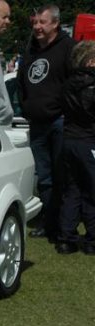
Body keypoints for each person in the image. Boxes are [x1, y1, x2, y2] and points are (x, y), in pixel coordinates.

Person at [17, 4, 75, 240]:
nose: (37, 27)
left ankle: (64, 224)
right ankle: (48, 222)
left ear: (55, 24)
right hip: (37, 123)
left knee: (63, 175)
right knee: (44, 177)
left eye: (42, 22)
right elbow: (22, 82)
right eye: (35, 22)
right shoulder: (31, 49)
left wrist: (65, 112)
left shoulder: (68, 48)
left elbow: (74, 85)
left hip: (60, 122)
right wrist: (26, 107)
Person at [55, 41, 95, 255]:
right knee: (91, 190)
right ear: (90, 61)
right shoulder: (91, 84)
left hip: (69, 139)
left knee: (72, 190)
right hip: (88, 141)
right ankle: (92, 240)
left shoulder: (68, 83)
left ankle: (66, 239)